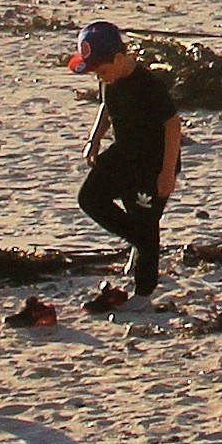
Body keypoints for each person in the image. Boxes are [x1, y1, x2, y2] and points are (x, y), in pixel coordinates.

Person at [64, 19, 180, 308]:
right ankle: (141, 244)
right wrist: (94, 139)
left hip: (153, 164)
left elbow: (173, 125)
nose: (99, 77)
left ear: (119, 59)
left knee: (146, 224)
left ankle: (143, 294)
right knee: (90, 198)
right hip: (123, 154)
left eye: (101, 71)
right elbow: (107, 106)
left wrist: (167, 173)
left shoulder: (148, 85)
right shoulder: (109, 79)